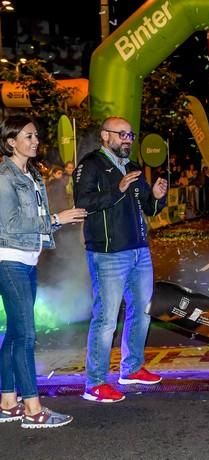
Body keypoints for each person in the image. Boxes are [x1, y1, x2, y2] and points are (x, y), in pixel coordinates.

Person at [0, 114, 87, 428]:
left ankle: (8, 401)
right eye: (28, 136)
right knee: (25, 335)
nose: (35, 141)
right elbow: (8, 224)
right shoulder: (4, 176)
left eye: (36, 136)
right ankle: (33, 410)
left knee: (14, 333)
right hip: (9, 259)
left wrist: (56, 223)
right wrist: (55, 219)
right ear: (11, 141)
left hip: (28, 260)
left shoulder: (33, 174)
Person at [74, 116, 168, 403]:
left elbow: (148, 208)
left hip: (139, 250)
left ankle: (132, 368)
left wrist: (157, 196)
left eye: (131, 135)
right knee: (106, 319)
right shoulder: (90, 165)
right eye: (122, 134)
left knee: (142, 311)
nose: (128, 139)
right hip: (108, 253)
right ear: (105, 136)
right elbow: (83, 203)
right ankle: (96, 382)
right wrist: (118, 190)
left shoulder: (133, 168)